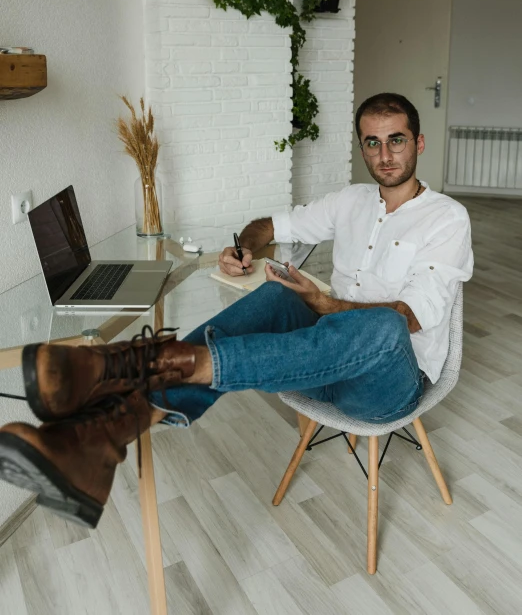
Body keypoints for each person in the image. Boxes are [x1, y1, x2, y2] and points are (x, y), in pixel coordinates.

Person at [0, 93, 473, 528]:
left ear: (419, 143)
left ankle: (145, 363)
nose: (385, 154)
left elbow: (412, 315)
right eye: (373, 142)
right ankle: (98, 438)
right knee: (278, 294)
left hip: (388, 382)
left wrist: (323, 302)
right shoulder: (350, 200)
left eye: (396, 140)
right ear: (362, 147)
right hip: (316, 362)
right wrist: (242, 248)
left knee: (384, 324)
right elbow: (268, 224)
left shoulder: (447, 217)